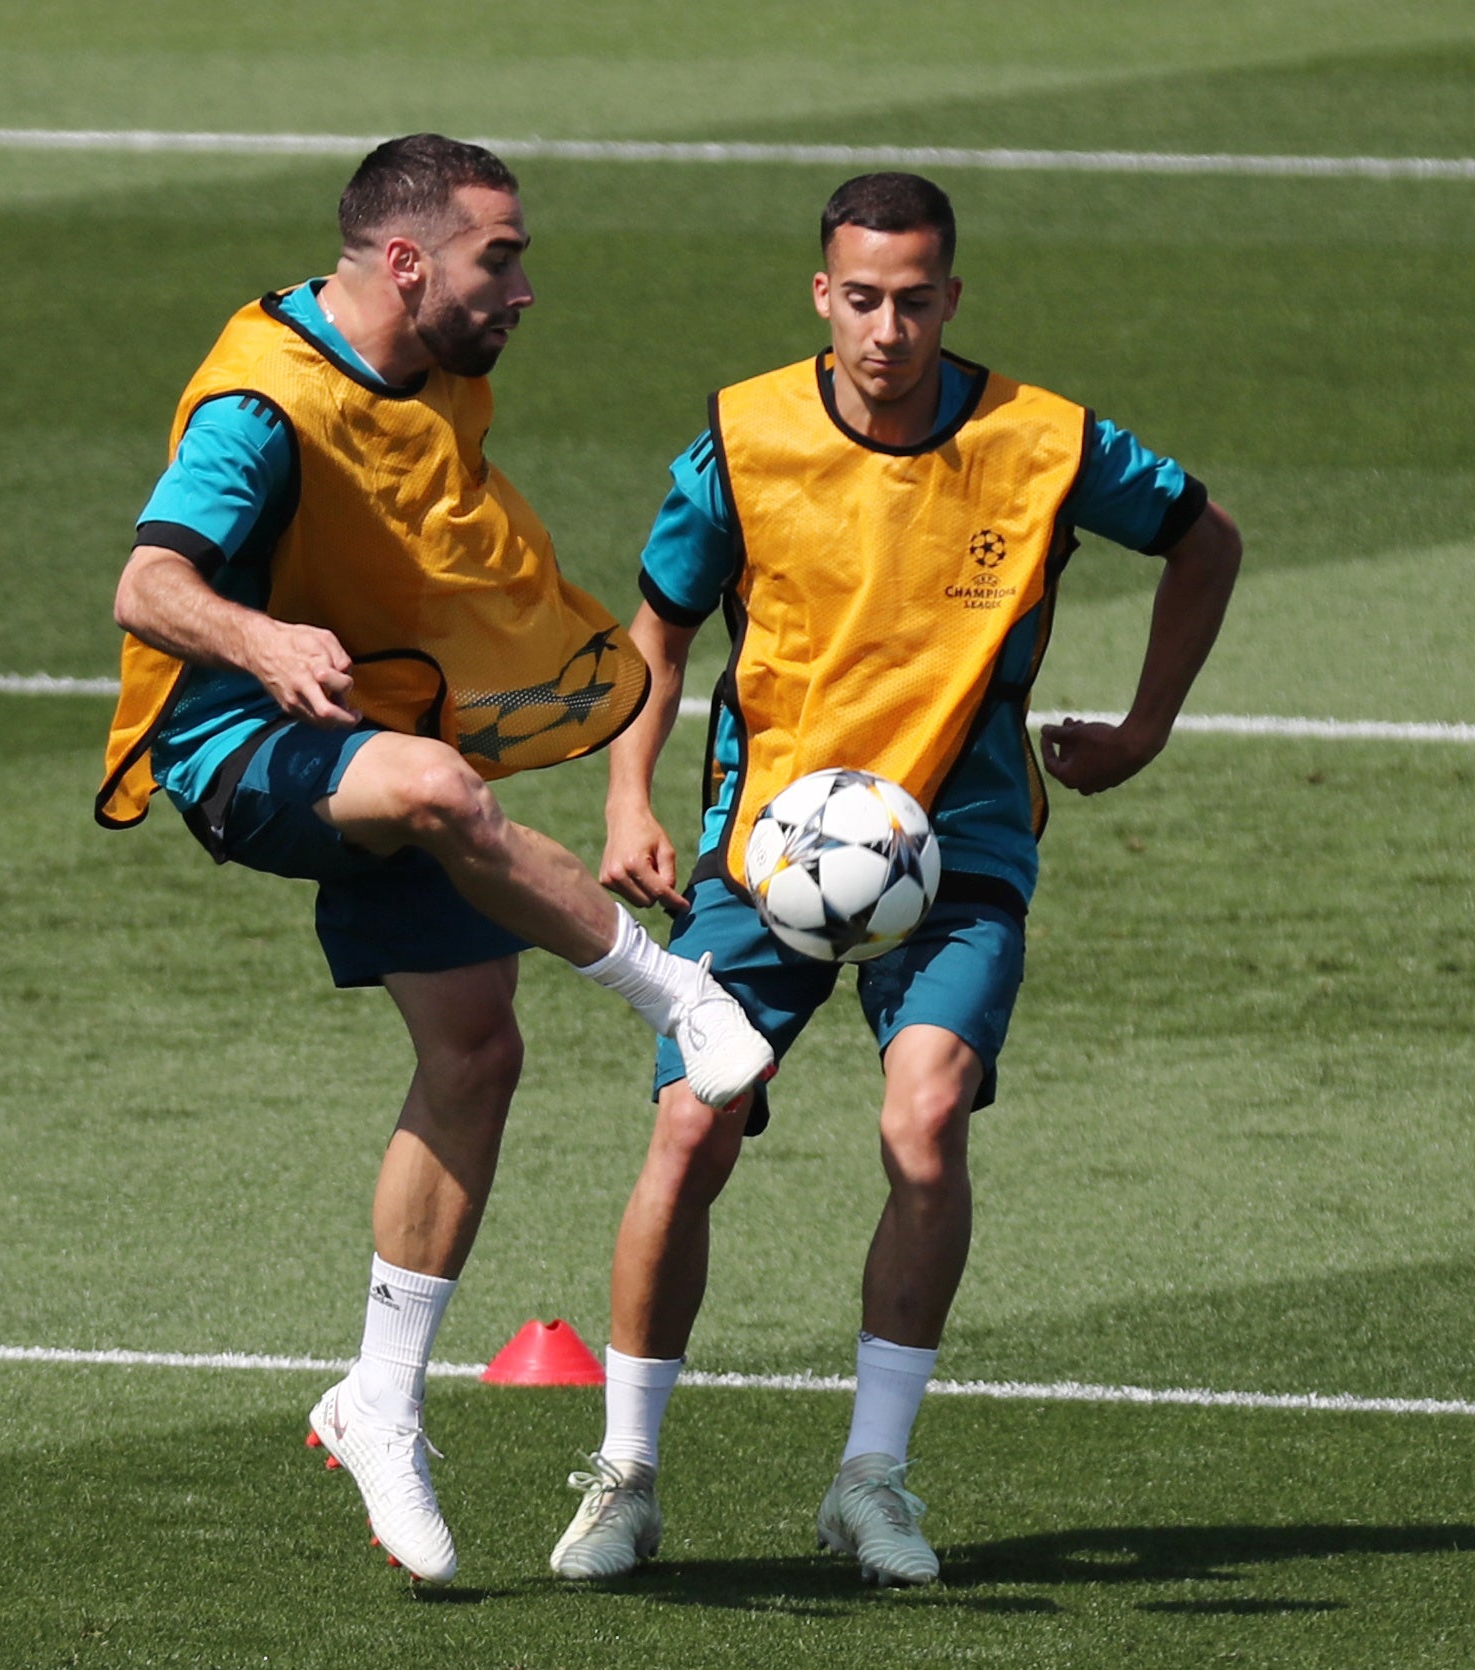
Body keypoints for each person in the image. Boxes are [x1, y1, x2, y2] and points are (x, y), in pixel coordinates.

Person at [98, 134, 774, 1587]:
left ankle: (377, 1404)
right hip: (236, 743)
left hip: (375, 726)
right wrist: (264, 636)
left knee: (475, 1054)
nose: (523, 286)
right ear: (406, 262)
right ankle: (678, 998)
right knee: (439, 790)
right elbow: (147, 583)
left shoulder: (438, 363)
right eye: (500, 256)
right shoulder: (258, 406)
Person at [549, 172, 1241, 1586]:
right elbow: (657, 633)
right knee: (691, 1128)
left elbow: (1203, 538)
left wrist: (1146, 723)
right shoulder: (743, 437)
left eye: (914, 300)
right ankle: (623, 1473)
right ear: (821, 294)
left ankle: (871, 1479)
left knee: (924, 1127)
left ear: (951, 297)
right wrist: (626, 798)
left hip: (960, 842)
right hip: (768, 850)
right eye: (860, 299)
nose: (886, 329)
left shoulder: (1041, 441)